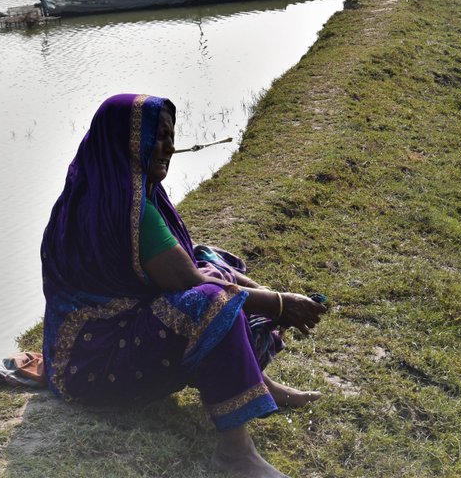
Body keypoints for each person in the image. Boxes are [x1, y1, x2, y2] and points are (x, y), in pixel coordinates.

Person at [41, 93, 326, 478]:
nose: (168, 148)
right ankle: (235, 455)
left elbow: (191, 259)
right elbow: (191, 281)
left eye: (171, 136)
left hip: (81, 352)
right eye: (157, 137)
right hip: (91, 366)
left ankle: (258, 382)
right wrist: (278, 304)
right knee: (209, 301)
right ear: (125, 141)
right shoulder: (127, 210)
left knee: (212, 260)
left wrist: (268, 296)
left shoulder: (108, 188)